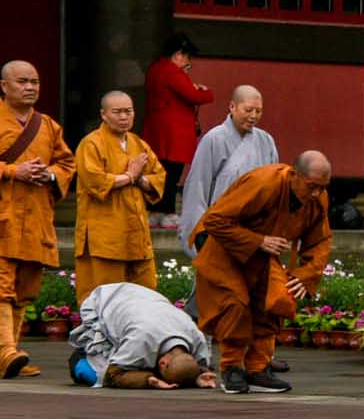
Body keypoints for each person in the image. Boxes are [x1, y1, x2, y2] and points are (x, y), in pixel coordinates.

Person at [192, 149, 331, 392]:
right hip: (226, 249)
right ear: (294, 175)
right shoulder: (264, 183)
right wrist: (259, 240)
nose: (317, 193)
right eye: (312, 186)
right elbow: (215, 220)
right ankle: (231, 368)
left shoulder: (317, 198)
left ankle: (258, 368)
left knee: (275, 300)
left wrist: (306, 274)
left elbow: (320, 240)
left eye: (323, 187)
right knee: (235, 303)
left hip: (263, 256)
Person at [70, 90, 168, 304]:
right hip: (105, 239)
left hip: (137, 237)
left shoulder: (138, 144)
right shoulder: (91, 143)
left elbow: (158, 176)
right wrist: (130, 175)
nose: (124, 117)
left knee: (146, 298)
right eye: (117, 112)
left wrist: (139, 179)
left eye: (128, 111)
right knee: (106, 300)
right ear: (103, 114)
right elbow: (94, 181)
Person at [0, 59, 66, 366]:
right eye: (22, 82)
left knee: (25, 287)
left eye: (35, 82)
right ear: (4, 86)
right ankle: (5, 351)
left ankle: (11, 350)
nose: (30, 88)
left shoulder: (48, 126)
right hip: (4, 216)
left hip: (36, 218)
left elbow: (67, 164)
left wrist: (50, 175)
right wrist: (14, 171)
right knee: (1, 285)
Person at [175, 86, 279, 246]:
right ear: (232, 106)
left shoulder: (266, 141)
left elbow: (274, 187)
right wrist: (199, 230)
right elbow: (198, 185)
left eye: (258, 111)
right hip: (221, 227)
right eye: (248, 110)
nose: (253, 116)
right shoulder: (213, 139)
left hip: (256, 229)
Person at [70, 278, 209, 388]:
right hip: (103, 300)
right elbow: (112, 374)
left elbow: (199, 367)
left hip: (140, 298)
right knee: (96, 374)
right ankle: (80, 357)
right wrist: (147, 380)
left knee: (136, 359)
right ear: (161, 363)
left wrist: (199, 375)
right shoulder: (140, 339)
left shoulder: (196, 336)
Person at [140, 36, 209, 173]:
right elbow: (194, 96)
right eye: (188, 57)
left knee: (157, 176)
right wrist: (206, 92)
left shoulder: (155, 68)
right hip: (174, 135)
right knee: (171, 177)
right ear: (178, 55)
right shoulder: (173, 72)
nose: (188, 62)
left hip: (156, 131)